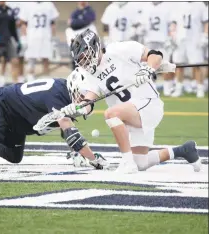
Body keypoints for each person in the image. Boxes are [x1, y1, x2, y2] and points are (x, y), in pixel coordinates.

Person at [60, 29, 202, 174]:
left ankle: (127, 163)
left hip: (147, 103)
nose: (84, 62)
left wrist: (147, 69)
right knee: (141, 163)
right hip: (129, 116)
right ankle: (185, 150)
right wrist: (77, 109)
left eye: (85, 56)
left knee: (111, 113)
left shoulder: (119, 49)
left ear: (95, 47)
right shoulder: (89, 73)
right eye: (80, 60)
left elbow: (155, 55)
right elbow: (88, 102)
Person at [170, 1, 208, 98]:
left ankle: (200, 88)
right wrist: (173, 34)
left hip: (195, 39)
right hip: (180, 39)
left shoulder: (200, 4)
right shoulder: (178, 4)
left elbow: (206, 22)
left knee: (197, 64)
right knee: (179, 64)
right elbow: (174, 22)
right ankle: (179, 88)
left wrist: (205, 35)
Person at [141, 2, 175, 96]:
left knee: (165, 64)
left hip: (162, 40)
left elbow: (171, 24)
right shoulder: (146, 7)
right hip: (149, 40)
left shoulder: (166, 6)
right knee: (148, 65)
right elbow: (141, 24)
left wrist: (171, 36)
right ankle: (150, 88)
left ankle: (167, 88)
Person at [19, 2, 59, 82]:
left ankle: (46, 78)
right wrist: (24, 37)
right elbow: (23, 23)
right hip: (32, 36)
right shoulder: (27, 4)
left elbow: (53, 23)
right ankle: (30, 77)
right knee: (31, 58)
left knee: (46, 58)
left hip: (45, 35)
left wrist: (54, 38)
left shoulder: (49, 4)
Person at [65, 2, 97, 70]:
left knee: (89, 57)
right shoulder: (75, 12)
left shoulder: (90, 11)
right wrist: (79, 21)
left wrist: (76, 22)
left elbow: (86, 21)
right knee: (76, 57)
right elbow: (71, 23)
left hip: (87, 38)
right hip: (77, 38)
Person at [6, 1, 28, 83]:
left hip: (21, 34)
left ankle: (21, 77)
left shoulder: (26, 3)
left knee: (21, 57)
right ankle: (11, 78)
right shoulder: (7, 3)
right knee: (11, 58)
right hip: (9, 33)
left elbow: (25, 19)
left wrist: (19, 23)